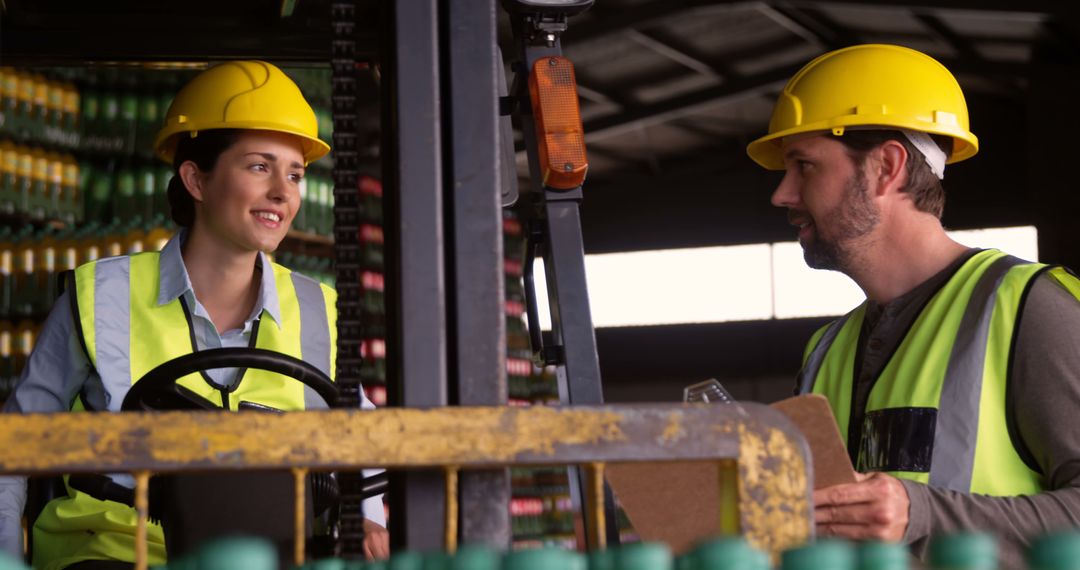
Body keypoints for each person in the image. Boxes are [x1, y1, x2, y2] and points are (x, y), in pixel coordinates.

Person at [0, 61, 389, 569]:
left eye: (294, 174)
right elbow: (12, 451)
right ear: (196, 179)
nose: (283, 191)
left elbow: (370, 443)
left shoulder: (318, 309)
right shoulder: (102, 295)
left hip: (262, 557)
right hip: (114, 553)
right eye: (259, 166)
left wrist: (370, 519)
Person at [746, 44, 1080, 567]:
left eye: (803, 165)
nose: (782, 194)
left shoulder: (1029, 312)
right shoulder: (826, 350)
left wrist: (921, 516)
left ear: (886, 167)